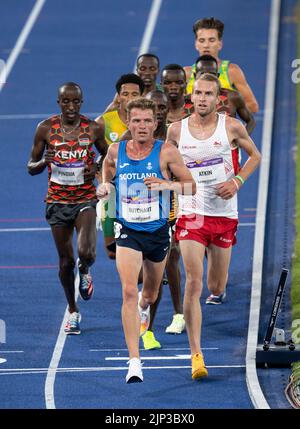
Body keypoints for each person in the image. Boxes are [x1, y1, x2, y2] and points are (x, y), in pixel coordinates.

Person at [167, 74, 261, 379]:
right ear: (191, 97)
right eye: (199, 93)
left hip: (224, 216)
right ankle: (197, 355)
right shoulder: (176, 130)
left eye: (209, 93)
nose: (203, 98)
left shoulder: (230, 126)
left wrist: (237, 181)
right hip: (191, 214)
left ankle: (214, 274)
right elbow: (163, 162)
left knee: (215, 286)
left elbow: (255, 155)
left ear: (217, 98)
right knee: (193, 283)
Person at [97, 97, 196, 383]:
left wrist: (167, 184)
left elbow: (190, 186)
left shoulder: (166, 153)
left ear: (155, 124)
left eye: (147, 121)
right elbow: (107, 169)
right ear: (128, 122)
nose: (141, 126)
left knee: (149, 295)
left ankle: (144, 307)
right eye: (136, 120)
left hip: (157, 233)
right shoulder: (116, 151)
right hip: (128, 230)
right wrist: (105, 186)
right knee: (128, 291)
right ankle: (134, 361)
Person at [27, 82, 108, 335]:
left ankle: (86, 270)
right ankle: (73, 311)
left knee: (87, 252)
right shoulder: (45, 129)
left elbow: (108, 155)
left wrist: (96, 168)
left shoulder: (93, 129)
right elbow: (30, 166)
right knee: (65, 263)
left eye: (76, 102)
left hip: (84, 198)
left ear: (81, 103)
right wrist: (43, 162)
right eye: (66, 102)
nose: (71, 106)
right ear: (59, 103)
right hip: (57, 201)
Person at [95, 74, 144, 259]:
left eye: (134, 94)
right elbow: (94, 156)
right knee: (112, 252)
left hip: (143, 189)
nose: (130, 98)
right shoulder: (104, 122)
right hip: (114, 191)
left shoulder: (150, 122)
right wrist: (98, 174)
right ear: (118, 96)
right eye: (125, 94)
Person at [184, 17, 259, 113]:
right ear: (196, 44)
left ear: (220, 44)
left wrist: (226, 111)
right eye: (202, 40)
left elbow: (252, 106)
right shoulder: (187, 73)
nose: (206, 45)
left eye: (211, 40)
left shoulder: (231, 71)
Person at [194, 54, 256, 135]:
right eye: (203, 74)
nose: (207, 78)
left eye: (211, 74)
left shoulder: (232, 96)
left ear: (217, 76)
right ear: (195, 76)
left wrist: (240, 140)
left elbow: (251, 121)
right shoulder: (188, 100)